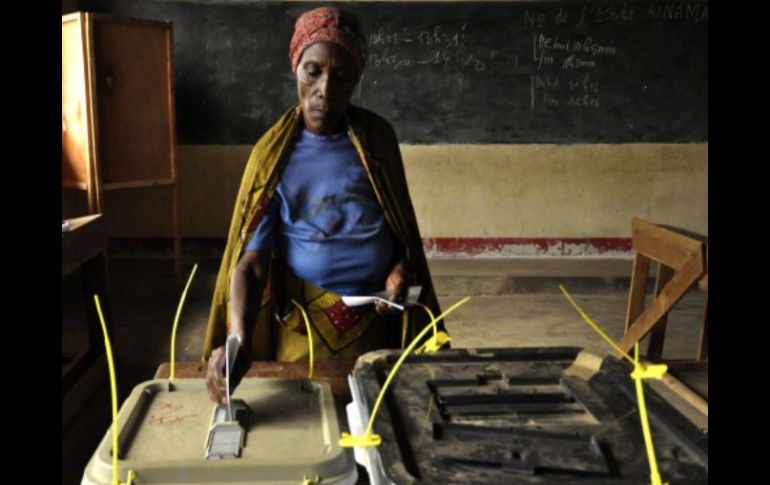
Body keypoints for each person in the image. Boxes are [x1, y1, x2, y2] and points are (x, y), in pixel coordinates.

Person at [204, 6, 445, 404]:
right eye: (313, 71)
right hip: (304, 331)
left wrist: (400, 272)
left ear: (358, 80)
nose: (326, 90)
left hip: (376, 324)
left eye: (342, 76)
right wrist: (238, 340)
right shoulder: (273, 156)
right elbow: (252, 263)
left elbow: (400, 231)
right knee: (309, 423)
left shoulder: (375, 141)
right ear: (295, 69)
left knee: (380, 421)